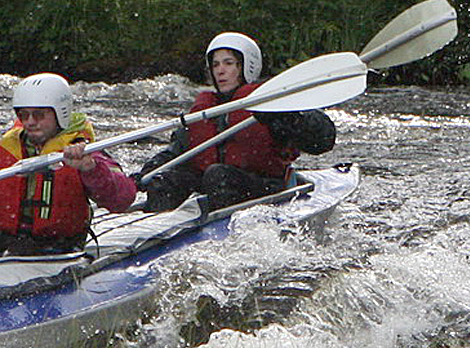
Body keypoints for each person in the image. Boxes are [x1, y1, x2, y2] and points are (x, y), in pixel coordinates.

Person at [0, 73, 137, 256]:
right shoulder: (2, 150)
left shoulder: (85, 153)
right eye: (24, 115)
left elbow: (122, 199)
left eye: (39, 115)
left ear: (60, 113)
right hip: (5, 246)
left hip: (60, 250)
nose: (30, 122)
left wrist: (90, 169)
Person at [136, 31, 336, 213]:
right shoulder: (206, 110)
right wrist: (148, 173)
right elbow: (176, 152)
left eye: (228, 63)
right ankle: (153, 232)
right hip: (218, 186)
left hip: (265, 186)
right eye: (215, 65)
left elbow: (324, 139)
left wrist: (284, 117)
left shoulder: (270, 103)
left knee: (218, 176)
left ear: (246, 66)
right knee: (166, 180)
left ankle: (223, 231)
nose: (220, 71)